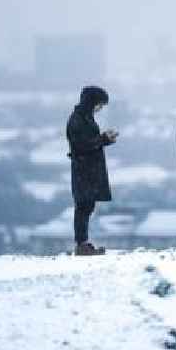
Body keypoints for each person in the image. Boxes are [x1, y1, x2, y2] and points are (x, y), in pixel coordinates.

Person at [66, 86, 118, 256]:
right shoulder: (77, 120)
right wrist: (102, 139)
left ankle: (84, 243)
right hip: (84, 170)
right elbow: (81, 145)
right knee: (83, 206)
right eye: (99, 104)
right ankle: (81, 244)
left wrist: (105, 140)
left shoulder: (85, 118)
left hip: (88, 169)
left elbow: (89, 142)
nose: (100, 108)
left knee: (87, 206)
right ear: (91, 102)